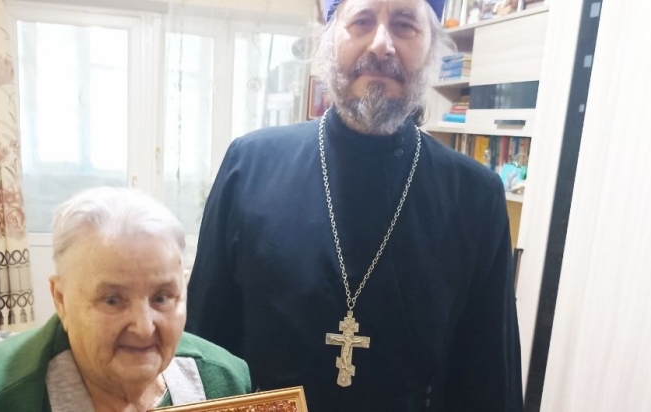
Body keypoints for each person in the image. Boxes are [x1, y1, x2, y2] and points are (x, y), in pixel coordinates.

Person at [185, 0, 522, 410]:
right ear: (328, 40)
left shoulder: (474, 197)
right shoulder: (249, 165)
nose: (381, 44)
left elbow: (489, 379)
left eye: (404, 25)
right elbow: (204, 348)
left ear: (432, 46)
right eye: (362, 21)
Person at [0, 187, 251, 411]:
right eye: (112, 300)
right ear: (60, 300)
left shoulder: (225, 383)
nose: (144, 327)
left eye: (162, 298)